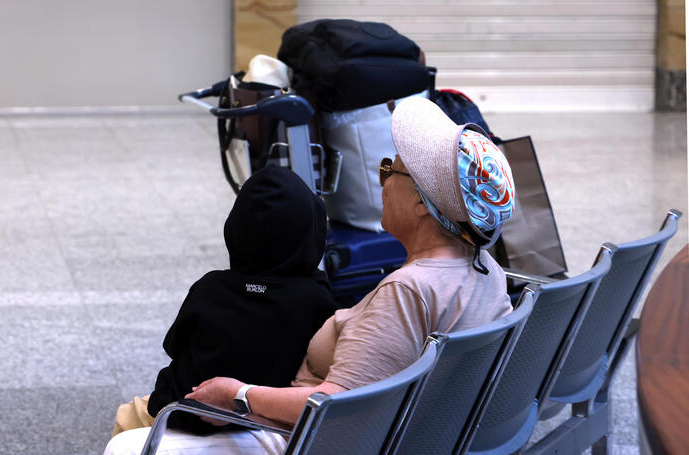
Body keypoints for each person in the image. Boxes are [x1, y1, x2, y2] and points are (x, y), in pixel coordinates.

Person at [104, 96, 516, 455]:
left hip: (310, 438)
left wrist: (239, 395)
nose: (384, 178)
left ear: (425, 204)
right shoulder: (484, 270)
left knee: (125, 446)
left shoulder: (408, 290)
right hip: (413, 431)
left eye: (392, 169)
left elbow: (339, 402)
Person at [110, 165, 337, 437]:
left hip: (185, 411)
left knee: (127, 417)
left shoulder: (210, 288)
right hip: (263, 418)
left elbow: (174, 345)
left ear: (236, 229)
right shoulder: (316, 298)